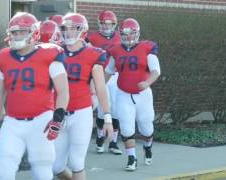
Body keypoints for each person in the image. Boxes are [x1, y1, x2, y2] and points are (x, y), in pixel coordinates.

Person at [0, 12, 69, 180]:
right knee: (3, 167)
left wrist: (58, 118)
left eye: (22, 31)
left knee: (41, 166)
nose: (17, 36)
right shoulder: (4, 57)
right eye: (14, 32)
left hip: (41, 120)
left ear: (34, 32)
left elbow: (63, 91)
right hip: (12, 121)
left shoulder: (50, 55)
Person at [53, 13, 113, 180]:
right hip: (57, 113)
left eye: (73, 28)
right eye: (65, 28)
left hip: (81, 113)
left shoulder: (93, 53)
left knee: (76, 162)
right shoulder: (55, 51)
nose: (68, 32)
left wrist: (107, 118)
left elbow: (101, 88)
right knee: (56, 166)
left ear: (83, 31)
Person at [105, 18, 161, 171]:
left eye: (131, 34)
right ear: (120, 34)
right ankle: (132, 158)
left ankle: (148, 147)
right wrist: (98, 86)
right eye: (124, 34)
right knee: (127, 128)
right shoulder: (115, 50)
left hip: (143, 95)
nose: (128, 37)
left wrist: (148, 82)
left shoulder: (146, 48)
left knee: (146, 128)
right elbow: (108, 72)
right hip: (123, 93)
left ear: (137, 33)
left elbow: (156, 70)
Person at [85, 10, 122, 155]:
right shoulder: (91, 37)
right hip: (99, 75)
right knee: (102, 110)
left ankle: (113, 142)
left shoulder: (121, 37)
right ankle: (100, 138)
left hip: (117, 76)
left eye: (109, 24)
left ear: (114, 24)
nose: (106, 27)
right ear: (99, 24)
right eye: (104, 24)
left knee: (117, 111)